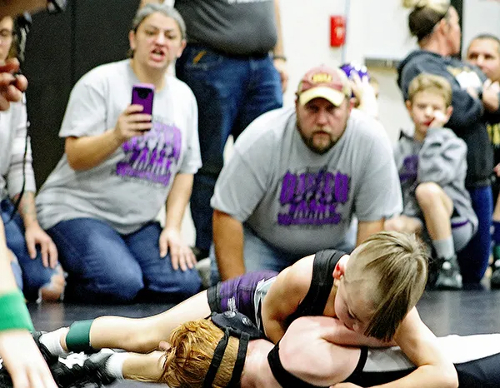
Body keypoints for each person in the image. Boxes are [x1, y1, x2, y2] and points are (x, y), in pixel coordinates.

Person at [35, 232, 457, 387]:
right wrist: (281, 365)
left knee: (198, 372)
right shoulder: (306, 276)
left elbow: (443, 373)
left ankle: (108, 366)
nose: (353, 326)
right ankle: (50, 342)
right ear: (341, 273)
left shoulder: (395, 309)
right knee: (149, 333)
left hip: (289, 339)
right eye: (348, 314)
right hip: (250, 306)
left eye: (367, 325)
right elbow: (273, 322)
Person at [35, 3, 202, 304]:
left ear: (181, 48)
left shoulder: (184, 97)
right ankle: (65, 279)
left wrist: (174, 229)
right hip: (76, 210)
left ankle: (115, 264)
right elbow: (75, 156)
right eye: (150, 33)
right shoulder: (101, 82)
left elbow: (186, 170)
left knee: (182, 282)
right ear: (132, 39)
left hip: (136, 224)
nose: (159, 41)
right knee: (120, 282)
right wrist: (116, 135)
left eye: (169, 35)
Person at [211, 64, 402, 283]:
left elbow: (372, 223)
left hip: (334, 247)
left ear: (350, 108)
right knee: (253, 298)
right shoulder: (263, 137)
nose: (321, 120)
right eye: (312, 108)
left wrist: (357, 292)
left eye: (331, 109)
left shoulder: (372, 141)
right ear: (296, 106)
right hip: (264, 246)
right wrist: (236, 299)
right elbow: (227, 214)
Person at [173, 0, 287, 260]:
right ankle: (210, 251)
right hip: (210, 56)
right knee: (208, 163)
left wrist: (279, 55)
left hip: (263, 62)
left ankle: (260, 246)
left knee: (269, 162)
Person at [399, 0, 500, 288]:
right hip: (448, 189)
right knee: (450, 280)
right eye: (457, 25)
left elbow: (493, 99)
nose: (459, 32)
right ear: (445, 27)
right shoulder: (418, 64)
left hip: (479, 183)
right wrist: (480, 96)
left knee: (477, 275)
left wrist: (476, 95)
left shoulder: (460, 67)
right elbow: (459, 105)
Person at [385, 73, 477, 290]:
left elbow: (432, 177)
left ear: (448, 113)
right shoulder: (399, 148)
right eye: (421, 106)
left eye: (435, 108)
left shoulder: (454, 145)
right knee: (391, 224)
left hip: (454, 224)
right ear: (409, 107)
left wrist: (434, 135)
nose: (428, 113)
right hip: (418, 221)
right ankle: (406, 272)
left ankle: (448, 264)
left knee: (427, 190)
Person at [0, 15, 64, 302]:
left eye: (4, 34)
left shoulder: (12, 90)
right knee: (8, 284)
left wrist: (32, 225)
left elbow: (18, 163)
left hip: (4, 205)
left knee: (50, 284)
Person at [466, 34, 500, 288]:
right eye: (473, 56)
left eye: (488, 57)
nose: (479, 62)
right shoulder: (463, 99)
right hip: (471, 184)